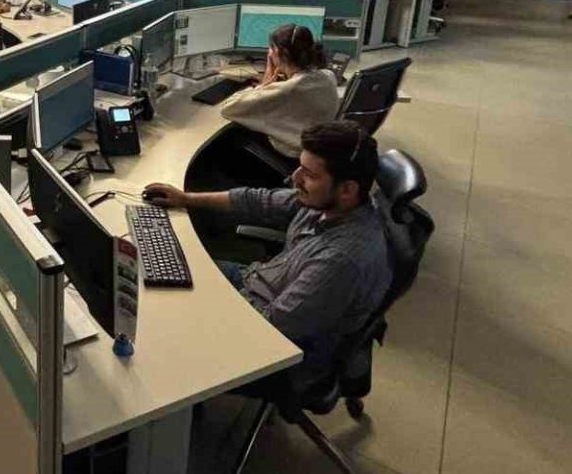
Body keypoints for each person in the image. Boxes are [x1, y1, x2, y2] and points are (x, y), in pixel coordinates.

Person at [143, 120, 390, 390]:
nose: (294, 178)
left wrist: (203, 308)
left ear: (347, 189)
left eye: (309, 175)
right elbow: (258, 200)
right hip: (258, 285)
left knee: (161, 334)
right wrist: (186, 199)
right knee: (160, 270)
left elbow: (270, 328)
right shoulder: (329, 204)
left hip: (275, 346)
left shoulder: (340, 261)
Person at [219, 24, 339, 158]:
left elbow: (228, 108)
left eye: (271, 48)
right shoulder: (328, 76)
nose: (269, 52)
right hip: (315, 154)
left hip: (291, 156)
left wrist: (265, 83)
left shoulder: (289, 89)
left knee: (232, 136)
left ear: (277, 52)